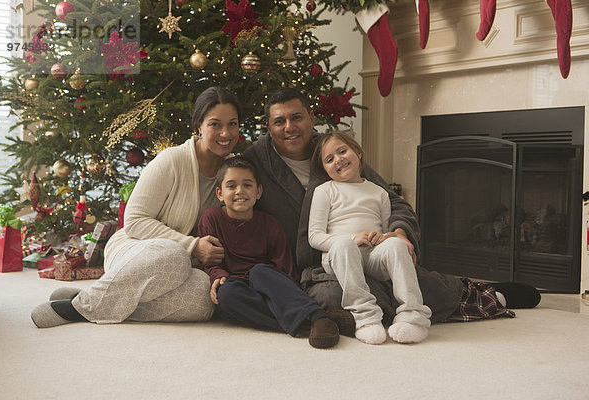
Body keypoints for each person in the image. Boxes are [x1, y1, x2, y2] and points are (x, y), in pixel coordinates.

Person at [242, 87, 540, 332]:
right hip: (321, 266)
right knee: (332, 296)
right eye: (279, 121)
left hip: (372, 254)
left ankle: (477, 293)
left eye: (297, 117)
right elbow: (230, 198)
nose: (289, 127)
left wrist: (399, 232)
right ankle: (417, 305)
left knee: (408, 275)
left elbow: (391, 201)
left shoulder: (336, 150)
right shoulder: (255, 161)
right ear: (268, 127)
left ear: (311, 118)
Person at [31, 87, 242, 328]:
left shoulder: (233, 172)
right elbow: (135, 220)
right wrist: (192, 245)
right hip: (136, 250)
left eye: (233, 124)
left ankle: (96, 299)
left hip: (180, 269)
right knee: (173, 254)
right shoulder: (172, 160)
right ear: (198, 126)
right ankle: (77, 308)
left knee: (204, 299)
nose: (226, 133)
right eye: (215, 124)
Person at [197, 156, 340, 349]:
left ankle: (312, 317)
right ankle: (314, 320)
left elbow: (285, 268)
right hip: (241, 291)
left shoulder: (270, 223)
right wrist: (218, 275)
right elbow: (211, 261)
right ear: (220, 193)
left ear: (258, 192)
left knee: (260, 272)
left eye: (247, 185)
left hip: (270, 288)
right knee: (226, 294)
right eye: (231, 186)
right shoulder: (211, 218)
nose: (240, 191)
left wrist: (289, 291)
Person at [308, 130, 431, 345]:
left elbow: (385, 229)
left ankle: (412, 316)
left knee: (395, 244)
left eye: (342, 151)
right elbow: (314, 236)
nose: (338, 159)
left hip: (372, 254)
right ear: (325, 170)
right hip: (339, 255)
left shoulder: (379, 192)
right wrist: (351, 238)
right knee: (343, 244)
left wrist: (382, 236)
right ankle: (365, 317)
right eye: (329, 159)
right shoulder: (325, 191)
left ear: (358, 152)